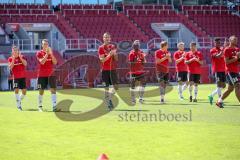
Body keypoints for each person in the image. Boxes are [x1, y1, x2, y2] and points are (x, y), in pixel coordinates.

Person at [216, 35, 240, 108]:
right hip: (230, 71)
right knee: (238, 86)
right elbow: (227, 62)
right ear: (230, 41)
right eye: (234, 39)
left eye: (236, 39)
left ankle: (219, 101)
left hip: (236, 71)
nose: (236, 40)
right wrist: (236, 58)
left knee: (230, 89)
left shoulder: (237, 49)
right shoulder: (227, 49)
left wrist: (239, 58)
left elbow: (238, 62)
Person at [36, 39, 58, 112]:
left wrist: (51, 54)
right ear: (42, 45)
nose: (45, 45)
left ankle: (54, 107)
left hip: (51, 75)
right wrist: (47, 54)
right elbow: (42, 62)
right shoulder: (39, 53)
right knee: (41, 90)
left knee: (53, 89)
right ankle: (40, 106)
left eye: (46, 44)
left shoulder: (51, 53)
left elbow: (55, 62)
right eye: (44, 44)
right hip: (42, 75)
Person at [98, 32, 118, 110]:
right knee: (106, 88)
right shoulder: (101, 48)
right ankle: (108, 103)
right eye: (105, 37)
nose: (106, 38)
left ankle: (109, 99)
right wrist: (109, 55)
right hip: (105, 70)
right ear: (103, 38)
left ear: (110, 38)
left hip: (112, 70)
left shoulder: (112, 47)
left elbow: (116, 59)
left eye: (108, 37)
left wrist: (115, 54)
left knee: (115, 87)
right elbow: (102, 60)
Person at [8, 46, 27, 111]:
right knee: (16, 90)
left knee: (24, 92)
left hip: (22, 77)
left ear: (18, 51)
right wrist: (13, 59)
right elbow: (10, 67)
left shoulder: (22, 57)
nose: (15, 51)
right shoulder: (10, 59)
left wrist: (21, 58)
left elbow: (25, 64)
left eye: (16, 50)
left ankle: (19, 100)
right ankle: (19, 106)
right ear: (12, 51)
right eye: (14, 50)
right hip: (16, 78)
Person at [208, 38, 226, 105]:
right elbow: (218, 56)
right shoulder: (212, 50)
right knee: (219, 85)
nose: (218, 44)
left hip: (223, 70)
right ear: (214, 43)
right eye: (217, 43)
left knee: (223, 86)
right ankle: (220, 101)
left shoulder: (222, 49)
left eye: (219, 42)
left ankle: (211, 95)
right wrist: (222, 50)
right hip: (217, 70)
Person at [128, 40, 146, 105]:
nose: (137, 47)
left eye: (138, 46)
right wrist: (135, 60)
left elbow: (144, 62)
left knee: (143, 85)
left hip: (141, 71)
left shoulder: (141, 52)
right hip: (133, 72)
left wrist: (143, 60)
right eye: (136, 46)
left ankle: (140, 98)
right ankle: (133, 99)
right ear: (133, 46)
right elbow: (130, 63)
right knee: (133, 86)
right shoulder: (131, 53)